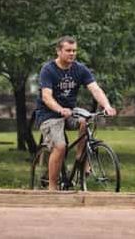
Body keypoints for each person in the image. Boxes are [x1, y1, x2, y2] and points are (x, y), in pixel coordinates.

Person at [34, 36, 117, 191]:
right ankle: (52, 188)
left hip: (70, 112)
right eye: (68, 50)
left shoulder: (80, 69)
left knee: (85, 120)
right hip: (49, 114)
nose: (72, 54)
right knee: (60, 146)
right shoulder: (48, 69)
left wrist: (106, 105)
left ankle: (81, 159)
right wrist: (59, 109)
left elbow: (95, 89)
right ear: (58, 51)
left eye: (74, 51)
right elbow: (46, 96)